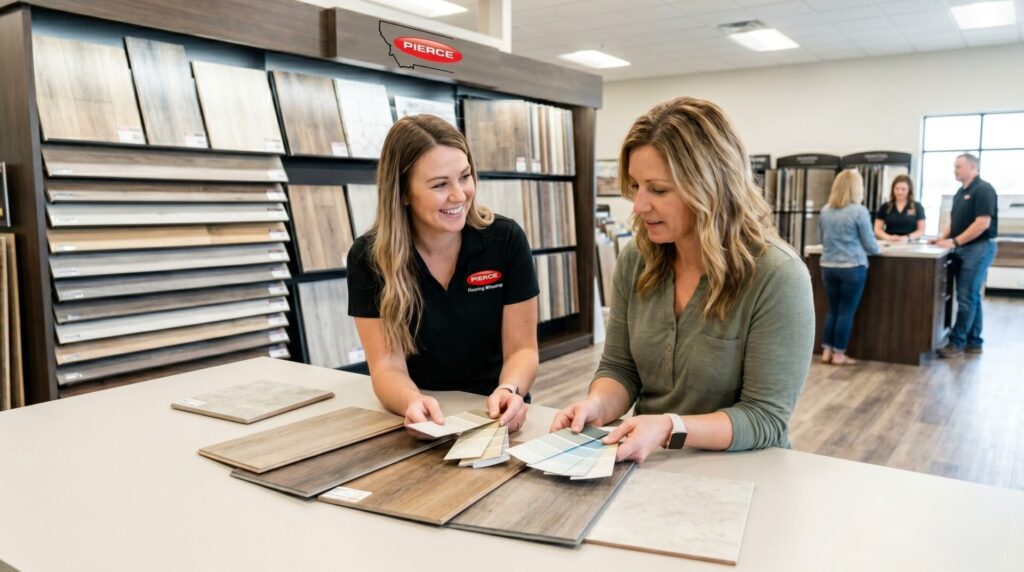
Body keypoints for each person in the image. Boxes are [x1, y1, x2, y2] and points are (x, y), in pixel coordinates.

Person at [550, 97, 814, 463]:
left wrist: (669, 427)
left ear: (711, 186)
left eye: (658, 190)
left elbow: (766, 417)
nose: (639, 205)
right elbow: (620, 370)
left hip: (748, 470)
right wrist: (596, 405)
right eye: (636, 186)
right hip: (649, 462)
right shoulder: (635, 260)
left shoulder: (778, 276)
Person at [347, 115, 540, 434]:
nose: (459, 195)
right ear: (403, 193)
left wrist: (510, 390)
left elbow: (523, 350)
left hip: (498, 414)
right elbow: (386, 367)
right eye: (440, 184)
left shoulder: (505, 240)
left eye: (464, 177)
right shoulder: (368, 258)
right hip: (424, 416)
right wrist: (411, 401)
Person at [932, 153, 999, 357]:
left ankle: (957, 343)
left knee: (966, 297)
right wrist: (941, 237)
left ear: (972, 167)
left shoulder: (984, 189)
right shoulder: (960, 193)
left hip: (978, 248)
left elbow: (982, 223)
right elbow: (954, 222)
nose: (955, 170)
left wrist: (955, 241)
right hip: (963, 248)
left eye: (958, 167)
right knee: (971, 296)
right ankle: (974, 341)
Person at [818, 169, 880, 365]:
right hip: (852, 266)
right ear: (857, 189)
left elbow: (821, 240)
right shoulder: (859, 211)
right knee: (846, 312)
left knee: (833, 310)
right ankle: (839, 355)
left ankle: (826, 352)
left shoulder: (825, 210)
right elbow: (871, 246)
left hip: (828, 265)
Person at [874, 174, 926, 241]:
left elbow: (921, 230)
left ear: (909, 190)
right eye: (897, 188)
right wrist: (888, 237)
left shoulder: (917, 207)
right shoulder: (885, 206)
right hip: (889, 242)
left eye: (903, 189)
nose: (899, 192)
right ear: (893, 189)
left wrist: (907, 238)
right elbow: (877, 228)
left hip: (910, 243)